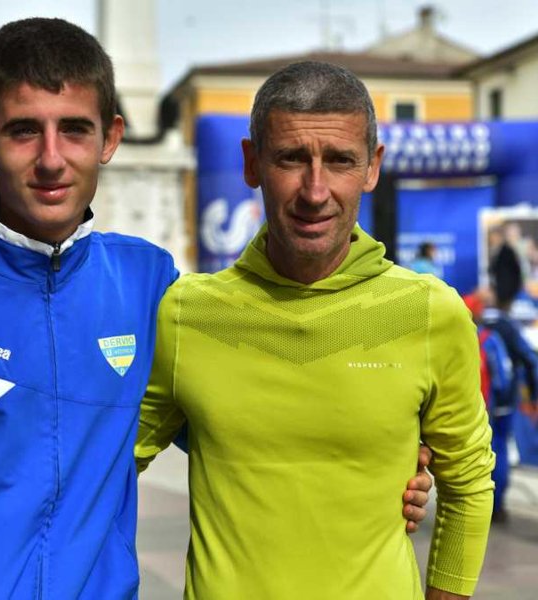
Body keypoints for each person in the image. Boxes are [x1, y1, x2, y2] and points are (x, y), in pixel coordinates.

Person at [0, 20, 432, 599]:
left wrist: (386, 463)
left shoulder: (149, 284)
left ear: (110, 137)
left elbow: (243, 424)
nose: (51, 159)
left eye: (75, 130)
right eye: (23, 131)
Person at [134, 61, 494, 599]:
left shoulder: (429, 313)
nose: (315, 190)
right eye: (291, 158)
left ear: (372, 168)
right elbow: (103, 470)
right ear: (252, 163)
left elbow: (468, 484)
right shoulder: (186, 313)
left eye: (341, 160)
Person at [482, 276, 538, 522]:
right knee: (499, 446)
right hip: (503, 400)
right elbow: (529, 359)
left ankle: (476, 504)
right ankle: (496, 505)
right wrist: (533, 395)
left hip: (477, 398)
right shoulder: (508, 326)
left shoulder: (476, 323)